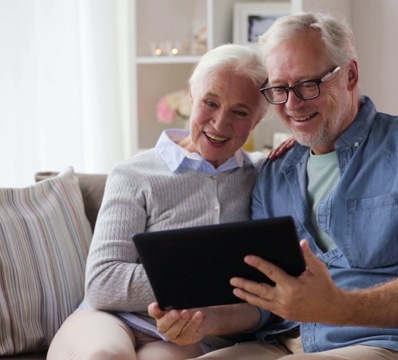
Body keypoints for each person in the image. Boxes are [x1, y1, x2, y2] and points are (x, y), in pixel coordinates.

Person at [150, 12, 398, 360]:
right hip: (283, 343)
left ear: (350, 75)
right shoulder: (274, 172)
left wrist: (337, 307)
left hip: (381, 342)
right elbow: (266, 300)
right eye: (280, 89)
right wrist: (205, 320)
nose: (292, 105)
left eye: (307, 85)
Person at [47, 43, 272, 359]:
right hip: (111, 318)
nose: (220, 123)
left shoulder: (262, 175)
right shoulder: (134, 173)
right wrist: (209, 277)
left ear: (258, 120)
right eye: (210, 102)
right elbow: (102, 282)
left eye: (240, 112)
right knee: (104, 355)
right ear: (191, 97)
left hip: (187, 332)